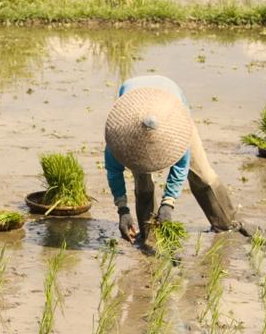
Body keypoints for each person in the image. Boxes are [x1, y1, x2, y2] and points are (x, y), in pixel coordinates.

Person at [104, 75, 256, 244]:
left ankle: (227, 223)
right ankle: (149, 235)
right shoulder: (119, 137)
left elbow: (181, 166)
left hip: (171, 115)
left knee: (203, 174)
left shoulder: (176, 131)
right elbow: (114, 172)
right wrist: (122, 210)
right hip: (133, 113)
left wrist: (168, 203)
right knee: (142, 182)